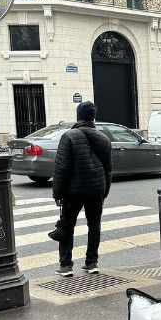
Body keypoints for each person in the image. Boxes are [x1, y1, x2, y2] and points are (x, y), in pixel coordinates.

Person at [52, 101, 112, 277]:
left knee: (67, 226)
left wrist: (58, 193)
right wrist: (105, 191)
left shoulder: (69, 136)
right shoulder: (104, 139)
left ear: (78, 115)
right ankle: (91, 263)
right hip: (96, 190)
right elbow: (108, 169)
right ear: (93, 116)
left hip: (73, 191)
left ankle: (66, 265)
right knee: (94, 226)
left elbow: (62, 167)